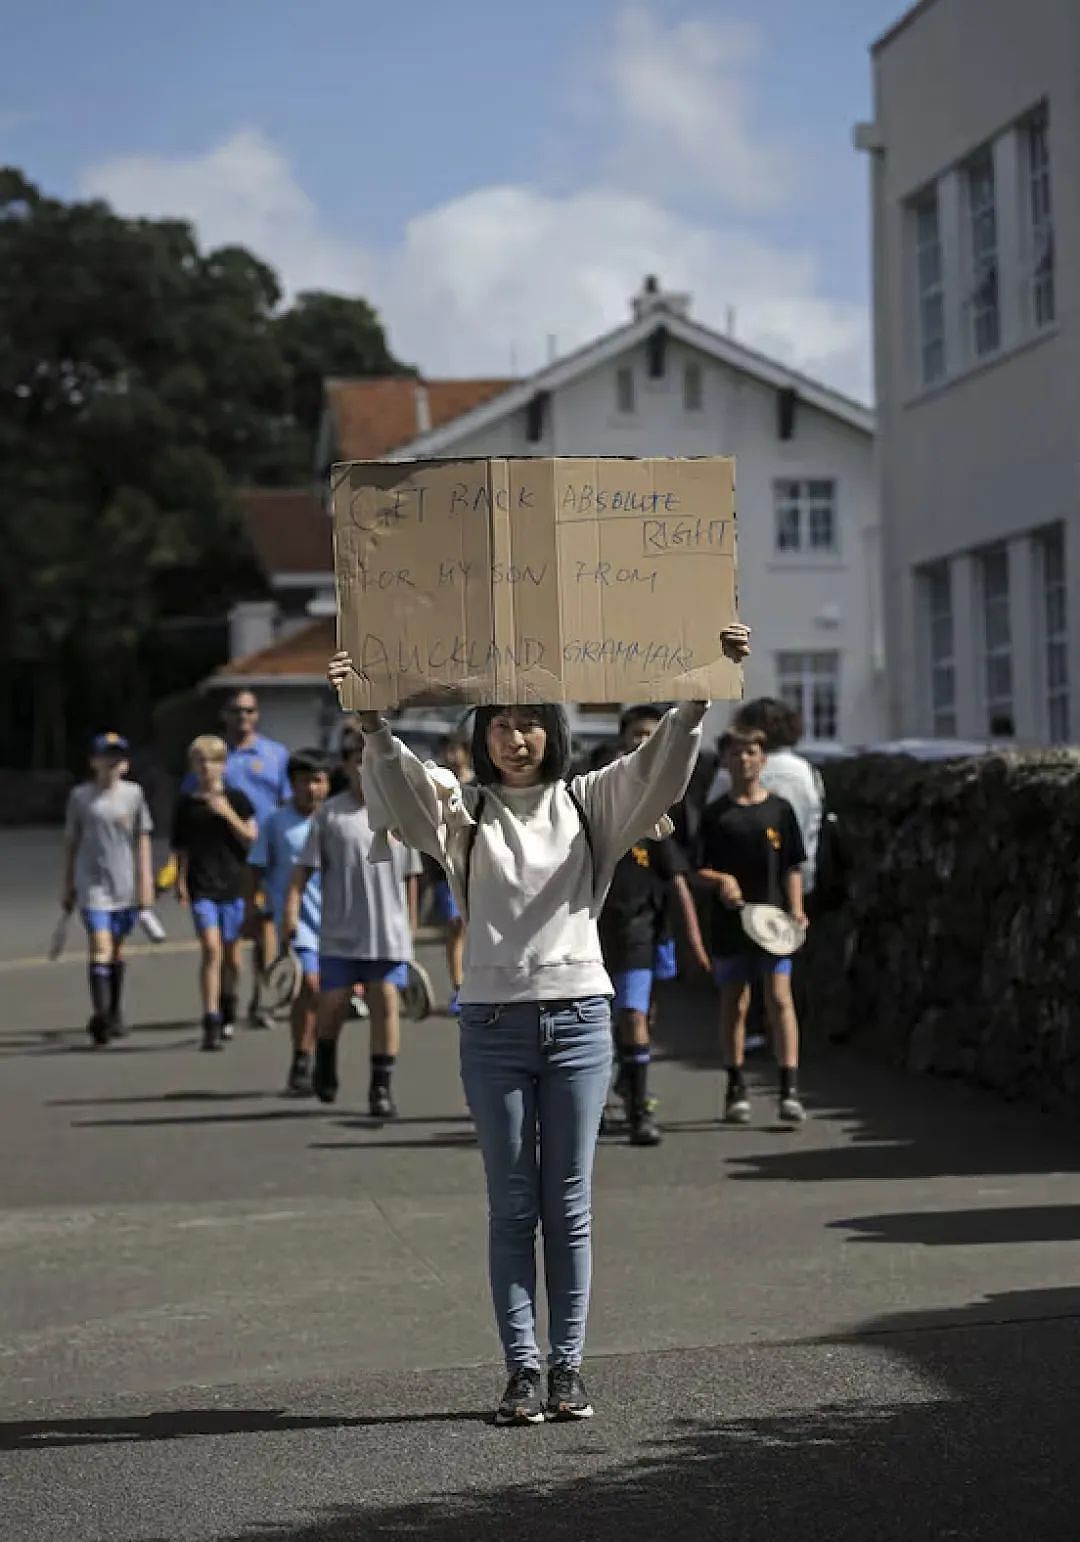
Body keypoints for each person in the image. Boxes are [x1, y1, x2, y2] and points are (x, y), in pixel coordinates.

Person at [330, 620, 752, 1427]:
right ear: (480, 734)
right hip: (490, 1024)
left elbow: (658, 767)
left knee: (568, 1204)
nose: (515, 737)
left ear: (551, 731)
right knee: (511, 1205)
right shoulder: (463, 809)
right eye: (499, 723)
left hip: (580, 1021)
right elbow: (404, 781)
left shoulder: (587, 801)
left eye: (529, 722)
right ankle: (521, 1370)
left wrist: (702, 687)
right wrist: (371, 719)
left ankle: (568, 1370)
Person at [284, 721, 423, 1118]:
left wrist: (409, 928)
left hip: (388, 933)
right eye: (357, 761)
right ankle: (323, 1056)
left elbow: (411, 878)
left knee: (385, 1003)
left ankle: (381, 1087)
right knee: (331, 1005)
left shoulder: (400, 812)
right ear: (346, 766)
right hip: (341, 933)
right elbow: (302, 872)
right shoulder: (330, 816)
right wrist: (292, 912)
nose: (365, 769)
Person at [598, 707, 711, 1146]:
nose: (643, 743)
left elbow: (679, 877)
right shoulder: (601, 800)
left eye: (651, 735)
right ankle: (610, 1092)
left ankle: (639, 1105)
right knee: (606, 1021)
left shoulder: (668, 799)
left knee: (635, 1015)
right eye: (636, 735)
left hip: (644, 933)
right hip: (595, 935)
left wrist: (693, 941)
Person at [696, 726, 808, 1126]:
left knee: (780, 999)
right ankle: (736, 1086)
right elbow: (696, 869)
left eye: (752, 752)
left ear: (763, 760)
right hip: (731, 924)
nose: (744, 759)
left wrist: (796, 908)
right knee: (735, 1002)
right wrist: (720, 880)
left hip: (774, 924)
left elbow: (794, 864)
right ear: (726, 761)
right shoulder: (715, 816)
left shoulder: (780, 810)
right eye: (737, 753)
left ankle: (788, 1089)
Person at [181, 689, 290, 1025]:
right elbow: (188, 808)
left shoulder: (275, 754)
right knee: (229, 941)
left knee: (265, 927)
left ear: (257, 715)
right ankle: (228, 999)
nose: (243, 717)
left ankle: (263, 1000)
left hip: (264, 853)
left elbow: (287, 802)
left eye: (250, 710)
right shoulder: (212, 755)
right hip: (222, 859)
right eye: (236, 711)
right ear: (224, 716)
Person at [61, 732, 154, 1045]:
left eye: (118, 757)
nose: (111, 763)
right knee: (99, 945)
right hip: (93, 884)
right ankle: (100, 1014)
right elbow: (72, 842)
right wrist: (68, 883)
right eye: (105, 756)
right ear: (93, 762)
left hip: (124, 883)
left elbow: (142, 839)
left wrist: (146, 884)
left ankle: (115, 1011)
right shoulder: (81, 797)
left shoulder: (134, 795)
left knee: (115, 949)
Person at [248, 749, 331, 1096]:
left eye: (317, 781)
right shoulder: (276, 824)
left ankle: (321, 1059)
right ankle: (302, 1058)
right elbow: (255, 868)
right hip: (297, 924)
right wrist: (254, 908)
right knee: (309, 986)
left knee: (329, 997)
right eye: (303, 782)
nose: (311, 789)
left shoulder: (338, 820)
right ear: (292, 785)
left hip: (340, 923)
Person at [171, 735, 257, 1051]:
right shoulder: (186, 804)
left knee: (232, 957)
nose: (206, 768)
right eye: (200, 761)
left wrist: (226, 813)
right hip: (201, 885)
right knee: (211, 949)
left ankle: (229, 1002)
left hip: (233, 885)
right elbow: (180, 848)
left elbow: (251, 836)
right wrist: (180, 881)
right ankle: (210, 1018)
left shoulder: (237, 798)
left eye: (212, 761)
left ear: (223, 765)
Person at [433, 731, 474, 1015]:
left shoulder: (478, 785)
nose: (451, 756)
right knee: (455, 925)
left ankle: (475, 985)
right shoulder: (437, 787)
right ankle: (458, 987)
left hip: (476, 867)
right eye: (447, 750)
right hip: (445, 868)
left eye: (455, 750)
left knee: (475, 927)